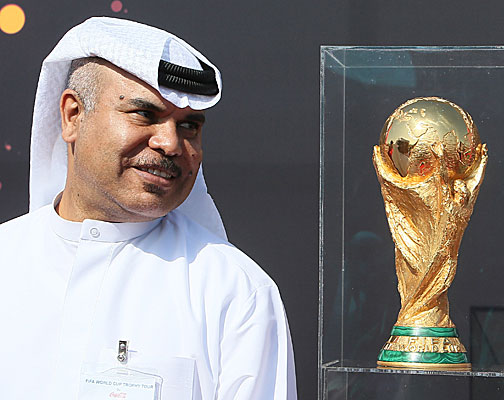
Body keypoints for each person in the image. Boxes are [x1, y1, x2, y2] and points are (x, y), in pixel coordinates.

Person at [0, 17, 297, 399]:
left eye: (189, 126)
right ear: (73, 116)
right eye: (145, 115)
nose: (171, 144)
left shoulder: (235, 292)